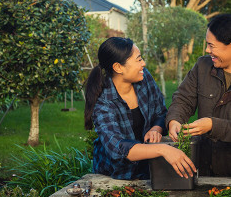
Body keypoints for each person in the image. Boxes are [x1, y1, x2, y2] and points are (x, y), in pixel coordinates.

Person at [84, 37, 196, 180]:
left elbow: (161, 112)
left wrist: (156, 128)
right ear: (118, 67)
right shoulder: (103, 103)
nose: (143, 63)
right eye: (138, 60)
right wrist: (164, 150)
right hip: (115, 177)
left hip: (149, 171)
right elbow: (118, 147)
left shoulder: (144, 78)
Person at [166, 14, 231, 176]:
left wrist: (213, 125)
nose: (207, 50)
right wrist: (174, 120)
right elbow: (183, 98)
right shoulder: (203, 66)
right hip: (204, 166)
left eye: (212, 45)